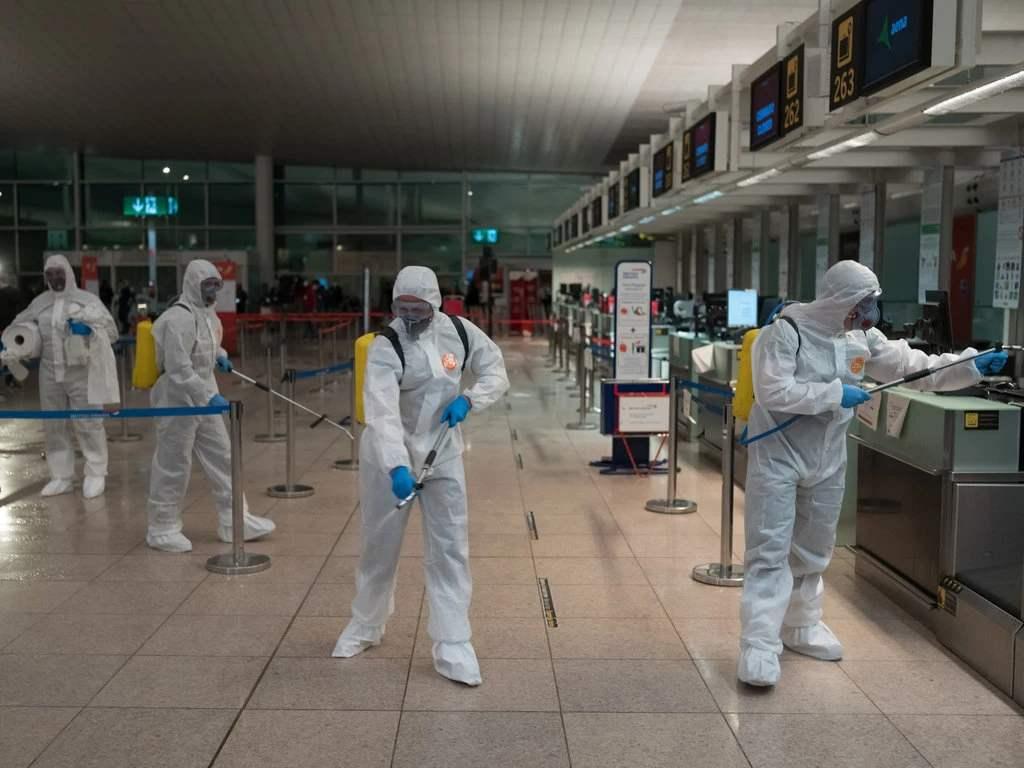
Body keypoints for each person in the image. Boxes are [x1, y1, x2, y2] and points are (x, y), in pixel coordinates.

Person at [739, 260, 1007, 687]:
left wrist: (969, 366)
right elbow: (774, 390)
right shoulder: (786, 332)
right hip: (779, 455)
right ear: (839, 299)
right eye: (862, 304)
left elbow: (912, 367)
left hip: (828, 457)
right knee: (770, 548)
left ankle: (801, 626)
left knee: (814, 547)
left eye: (871, 304)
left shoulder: (860, 338)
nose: (868, 314)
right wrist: (833, 394)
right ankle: (758, 645)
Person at [333, 265, 509, 686]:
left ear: (435, 303)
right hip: (389, 459)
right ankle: (366, 624)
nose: (410, 317)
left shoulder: (460, 332)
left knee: (450, 547)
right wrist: (396, 464)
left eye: (418, 308)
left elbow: (496, 371)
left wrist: (470, 399)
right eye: (403, 308)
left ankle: (453, 642)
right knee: (379, 545)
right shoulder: (386, 345)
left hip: (443, 452)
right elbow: (381, 412)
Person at [145, 259, 276, 552]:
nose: (213, 290)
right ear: (193, 284)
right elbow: (178, 368)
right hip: (177, 397)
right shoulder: (176, 319)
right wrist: (206, 397)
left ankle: (234, 520)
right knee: (173, 462)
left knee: (224, 456)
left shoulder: (207, 314)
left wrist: (220, 355)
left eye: (216, 285)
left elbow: (208, 343)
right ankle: (162, 528)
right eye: (207, 285)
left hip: (204, 390)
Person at [8, 254, 119, 498]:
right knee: (53, 424)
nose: (55, 278)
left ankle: (96, 472)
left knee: (88, 421)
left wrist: (89, 330)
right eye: (50, 274)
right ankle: (61, 476)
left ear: (68, 273)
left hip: (80, 371)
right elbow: (19, 325)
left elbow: (111, 331)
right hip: (49, 372)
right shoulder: (40, 303)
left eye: (59, 273)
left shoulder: (87, 300)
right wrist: (10, 342)